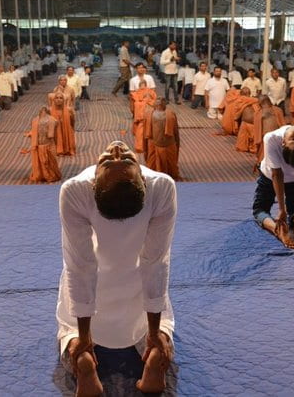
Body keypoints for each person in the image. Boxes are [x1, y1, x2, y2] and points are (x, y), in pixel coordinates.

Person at [56, 141, 176, 396]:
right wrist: (153, 332)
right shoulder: (162, 186)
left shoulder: (75, 189)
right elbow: (156, 262)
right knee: (163, 324)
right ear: (142, 178)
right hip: (139, 287)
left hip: (92, 291)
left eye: (112, 160)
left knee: (70, 332)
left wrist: (85, 336)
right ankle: (156, 353)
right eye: (113, 160)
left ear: (94, 182)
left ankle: (82, 361)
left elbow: (80, 267)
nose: (117, 150)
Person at [143, 97, 180, 180]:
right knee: (152, 162)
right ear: (154, 104)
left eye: (162, 101)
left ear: (165, 104)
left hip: (168, 143)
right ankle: (153, 175)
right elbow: (145, 131)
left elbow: (175, 131)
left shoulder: (170, 115)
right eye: (158, 101)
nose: (159, 103)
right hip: (153, 143)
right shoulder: (148, 114)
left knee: (170, 163)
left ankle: (169, 175)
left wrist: (177, 142)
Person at [24, 107, 61, 183]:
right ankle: (45, 175)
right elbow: (50, 135)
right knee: (46, 161)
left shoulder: (50, 120)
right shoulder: (38, 120)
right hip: (43, 144)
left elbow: (51, 135)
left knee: (48, 161)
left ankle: (47, 175)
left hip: (46, 144)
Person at [130, 81, 157, 153]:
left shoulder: (146, 93)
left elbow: (154, 101)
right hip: (146, 117)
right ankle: (144, 147)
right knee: (146, 132)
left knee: (142, 132)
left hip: (143, 118)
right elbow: (155, 101)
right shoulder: (137, 94)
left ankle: (142, 147)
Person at [49, 91, 76, 156]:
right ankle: (58, 149)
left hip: (66, 130)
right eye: (57, 98)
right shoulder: (49, 110)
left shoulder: (69, 110)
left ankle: (67, 148)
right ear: (54, 100)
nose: (58, 100)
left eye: (61, 98)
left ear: (63, 100)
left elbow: (73, 121)